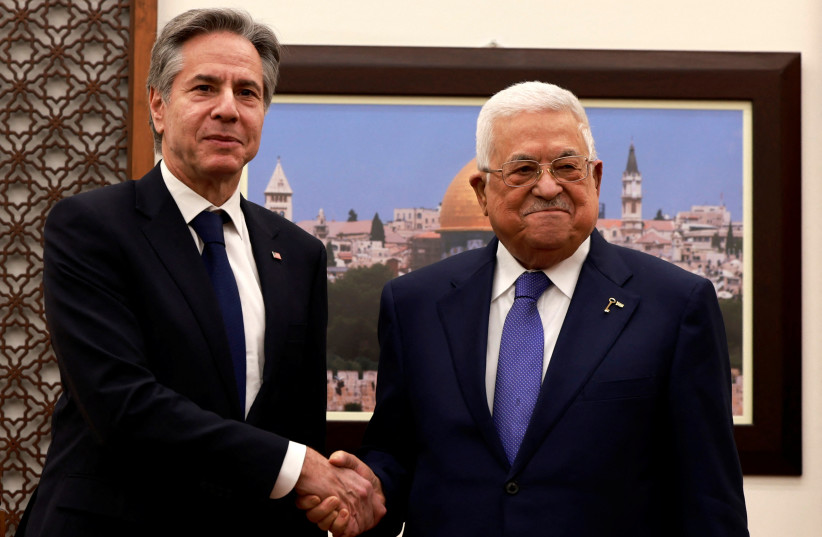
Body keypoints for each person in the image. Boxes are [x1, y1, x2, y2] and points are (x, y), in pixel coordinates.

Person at [307, 81, 749, 536]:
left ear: (595, 179)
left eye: (567, 166)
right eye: (522, 170)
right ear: (482, 191)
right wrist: (371, 495)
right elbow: (397, 454)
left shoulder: (675, 306)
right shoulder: (416, 304)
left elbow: (710, 499)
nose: (549, 185)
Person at [16, 8, 383, 537]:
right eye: (205, 88)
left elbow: (297, 423)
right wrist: (298, 467)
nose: (228, 109)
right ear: (158, 105)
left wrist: (324, 498)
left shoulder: (298, 253)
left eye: (248, 93)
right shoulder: (92, 227)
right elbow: (122, 404)